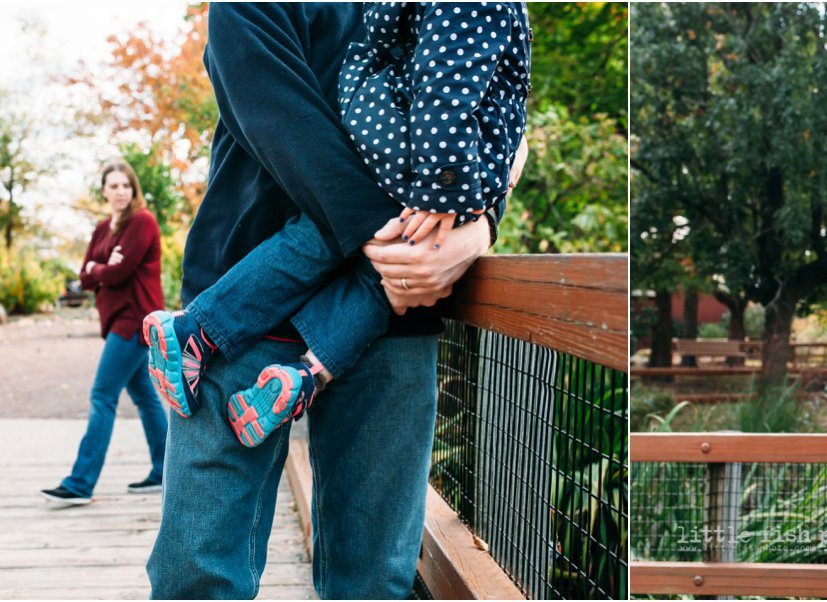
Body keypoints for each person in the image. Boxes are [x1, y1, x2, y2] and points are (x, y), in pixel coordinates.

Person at [145, 4, 516, 598]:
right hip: (247, 297)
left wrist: (478, 230)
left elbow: (496, 114)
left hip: (392, 311)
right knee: (196, 573)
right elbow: (280, 119)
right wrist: (411, 234)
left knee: (371, 579)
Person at [41, 161, 168, 505]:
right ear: (104, 191)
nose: (120, 191)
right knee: (144, 397)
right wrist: (100, 266)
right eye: (113, 186)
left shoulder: (142, 222)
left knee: (102, 396)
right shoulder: (102, 229)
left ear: (134, 188)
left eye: (126, 185)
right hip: (116, 320)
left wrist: (97, 269)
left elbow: (119, 271)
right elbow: (84, 277)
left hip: (135, 319)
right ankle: (166, 472)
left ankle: (80, 483)